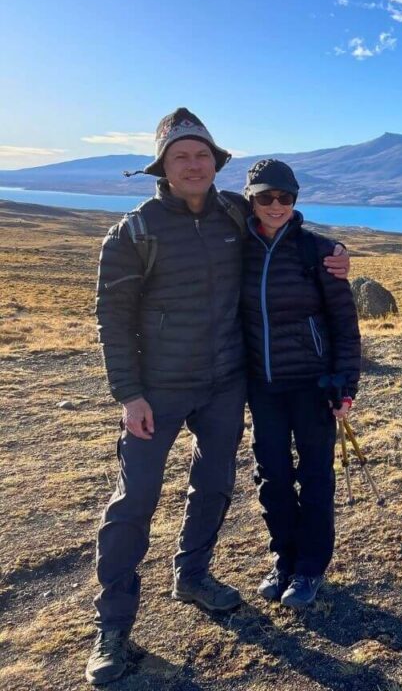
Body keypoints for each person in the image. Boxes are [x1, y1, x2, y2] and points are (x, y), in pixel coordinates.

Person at [87, 108, 350, 685]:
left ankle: (194, 574)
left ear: (216, 162)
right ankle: (113, 627)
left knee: (214, 483)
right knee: (136, 499)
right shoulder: (135, 231)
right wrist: (128, 394)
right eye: (181, 156)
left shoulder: (236, 211)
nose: (193, 164)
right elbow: (110, 317)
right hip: (157, 387)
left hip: (227, 381)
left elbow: (289, 236)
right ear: (163, 165)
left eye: (202, 155)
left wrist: (336, 256)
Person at [240, 159, 360, 609]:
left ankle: (310, 568)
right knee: (271, 476)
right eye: (266, 197)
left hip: (313, 385)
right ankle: (283, 559)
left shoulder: (319, 252)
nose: (276, 205)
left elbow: (345, 325)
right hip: (262, 385)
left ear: (295, 200)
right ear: (250, 199)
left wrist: (346, 386)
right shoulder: (237, 245)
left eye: (285, 198)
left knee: (314, 477)